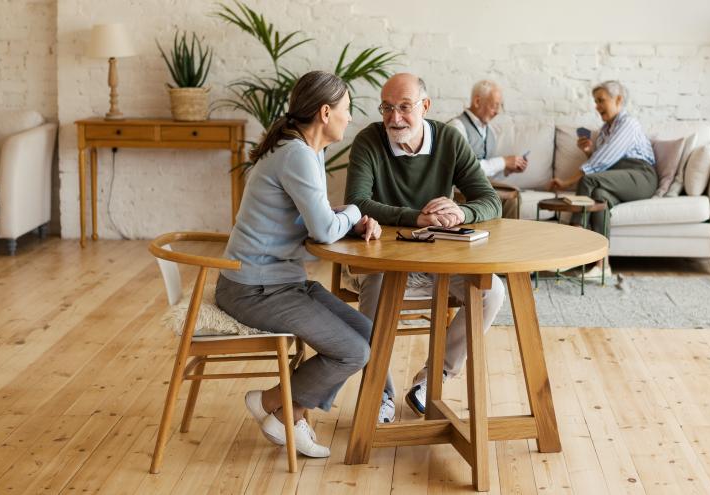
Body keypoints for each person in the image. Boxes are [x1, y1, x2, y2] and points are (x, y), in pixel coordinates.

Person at [215, 71, 382, 458]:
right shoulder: (296, 155)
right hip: (254, 289)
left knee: (367, 333)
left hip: (280, 281)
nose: (350, 116)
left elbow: (318, 215)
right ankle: (282, 409)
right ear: (325, 113)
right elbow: (323, 230)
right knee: (353, 351)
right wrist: (356, 210)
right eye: (347, 109)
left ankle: (279, 409)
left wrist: (346, 219)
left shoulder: (306, 151)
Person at [344, 73, 505, 422]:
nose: (394, 117)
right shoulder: (369, 141)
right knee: (374, 292)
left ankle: (433, 378)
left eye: (404, 107)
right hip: (383, 264)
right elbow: (356, 202)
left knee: (493, 291)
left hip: (439, 261)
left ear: (425, 106)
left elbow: (491, 201)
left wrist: (461, 211)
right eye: (387, 107)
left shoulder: (448, 139)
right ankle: (380, 393)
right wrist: (414, 217)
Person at [547, 80, 657, 278]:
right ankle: (602, 265)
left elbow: (599, 165)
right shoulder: (605, 131)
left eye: (601, 100)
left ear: (618, 99)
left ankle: (570, 250)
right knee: (599, 196)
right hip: (620, 178)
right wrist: (590, 151)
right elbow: (602, 165)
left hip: (641, 176)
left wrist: (567, 182)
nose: (597, 106)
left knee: (588, 181)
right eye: (595, 101)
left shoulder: (628, 124)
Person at [448, 80, 528, 218]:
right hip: (461, 188)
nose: (497, 111)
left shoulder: (490, 131)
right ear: (477, 101)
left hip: (480, 186)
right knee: (510, 199)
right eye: (494, 105)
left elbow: (487, 173)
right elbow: (463, 170)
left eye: (499, 106)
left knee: (513, 196)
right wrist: (503, 161)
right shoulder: (457, 127)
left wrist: (507, 169)